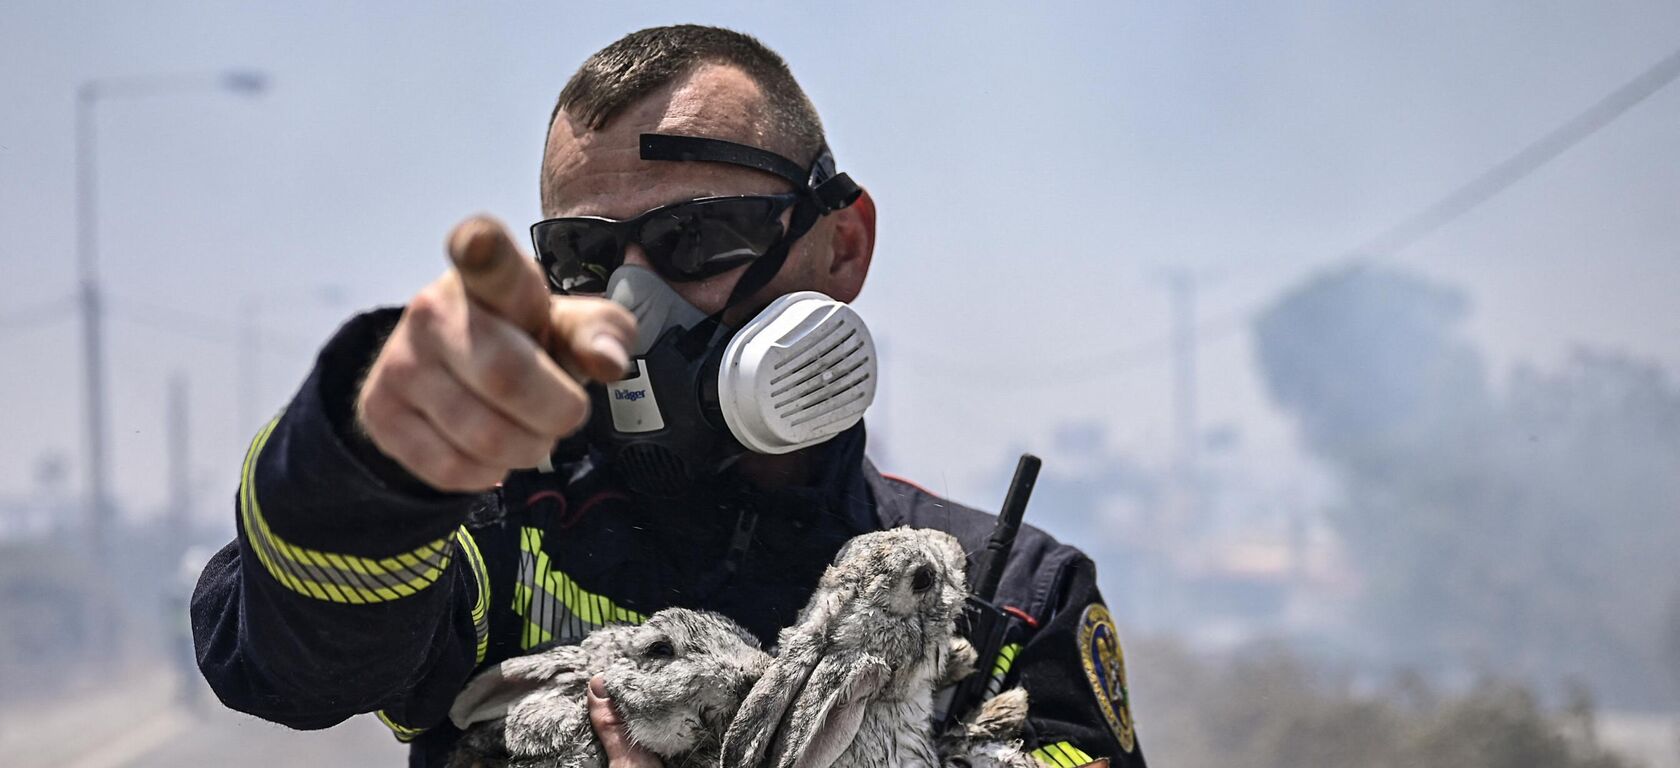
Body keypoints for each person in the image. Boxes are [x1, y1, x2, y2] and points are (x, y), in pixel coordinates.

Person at [192, 24, 1145, 768]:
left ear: (842, 246)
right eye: (585, 257)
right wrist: (368, 464)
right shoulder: (498, 524)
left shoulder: (994, 600)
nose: (630, 306)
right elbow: (285, 670)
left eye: (698, 238)